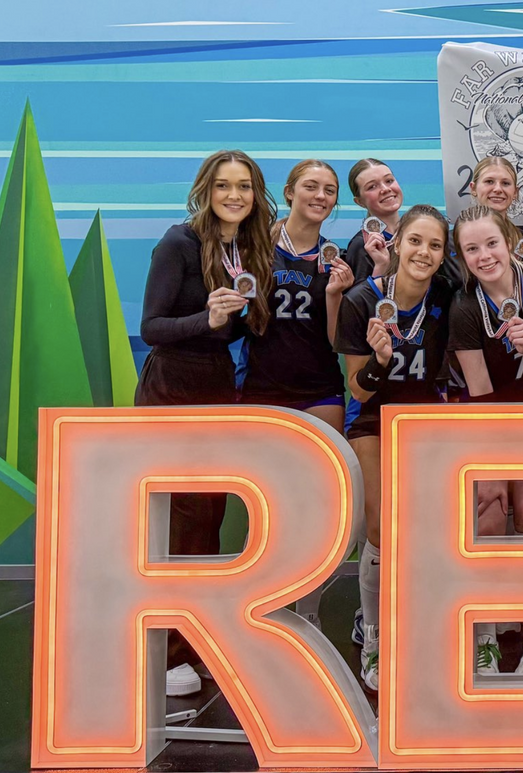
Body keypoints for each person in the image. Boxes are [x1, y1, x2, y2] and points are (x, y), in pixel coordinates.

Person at [135, 149, 276, 697]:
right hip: (170, 387)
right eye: (223, 186)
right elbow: (152, 327)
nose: (233, 195)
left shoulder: (248, 247)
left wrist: (243, 318)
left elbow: (232, 333)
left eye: (243, 186)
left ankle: (196, 643)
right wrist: (208, 317)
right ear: (206, 191)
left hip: (217, 383)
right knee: (178, 518)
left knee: (209, 514)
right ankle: (169, 652)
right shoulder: (179, 242)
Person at [334, 204, 455, 690]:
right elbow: (358, 391)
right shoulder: (362, 300)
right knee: (382, 526)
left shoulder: (447, 293)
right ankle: (375, 637)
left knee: (429, 529)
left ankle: (420, 624)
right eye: (415, 241)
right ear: (397, 242)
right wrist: (380, 361)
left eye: (435, 245)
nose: (424, 252)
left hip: (426, 422)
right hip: (373, 420)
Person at [448, 204, 523, 674]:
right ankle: (485, 638)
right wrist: (491, 467)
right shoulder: (464, 306)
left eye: (491, 243)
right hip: (490, 421)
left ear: (509, 240)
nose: (484, 256)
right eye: (471, 249)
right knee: (489, 512)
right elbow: (480, 396)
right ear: (462, 256)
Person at [239, 159, 354, 630]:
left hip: (319, 389)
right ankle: (264, 603)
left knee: (316, 505)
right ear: (289, 192)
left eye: (329, 190)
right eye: (311, 186)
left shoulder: (335, 258)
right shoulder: (254, 249)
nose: (320, 196)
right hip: (262, 390)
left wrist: (335, 295)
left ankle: (307, 608)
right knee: (268, 503)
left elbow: (336, 343)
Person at [469, 156, 523, 265]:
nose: (498, 189)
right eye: (489, 181)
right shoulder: (454, 241)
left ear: (515, 192)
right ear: (473, 188)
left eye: (505, 183)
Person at [343, 159, 402, 283]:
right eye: (372, 187)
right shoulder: (361, 245)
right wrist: (380, 269)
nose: (385, 189)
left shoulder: (416, 232)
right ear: (360, 202)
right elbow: (359, 295)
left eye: (389, 180)